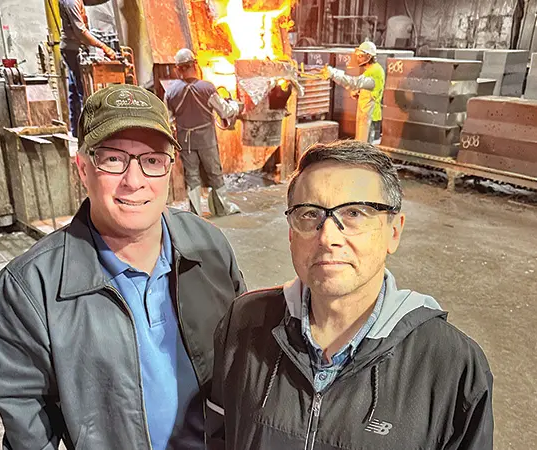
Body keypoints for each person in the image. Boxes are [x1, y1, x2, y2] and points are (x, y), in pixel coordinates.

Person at [0, 84, 246, 450]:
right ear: (82, 168)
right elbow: (27, 424)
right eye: (112, 159)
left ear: (170, 167)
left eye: (152, 160)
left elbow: (245, 362)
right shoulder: (31, 287)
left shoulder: (210, 247)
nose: (134, 181)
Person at [207, 140, 493, 449]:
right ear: (290, 232)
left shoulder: (451, 365)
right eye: (308, 214)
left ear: (393, 231)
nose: (328, 237)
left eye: (354, 213)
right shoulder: (245, 323)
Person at [165, 48, 240, 217]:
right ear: (194, 65)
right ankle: (223, 208)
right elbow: (224, 111)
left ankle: (195, 214)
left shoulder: (171, 91)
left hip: (185, 141)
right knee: (215, 173)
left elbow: (168, 120)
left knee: (192, 177)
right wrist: (234, 105)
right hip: (206, 140)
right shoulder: (206, 88)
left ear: (178, 68)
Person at [59, 0, 116, 137]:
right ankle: (87, 132)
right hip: (72, 49)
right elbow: (80, 31)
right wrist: (103, 47)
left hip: (72, 47)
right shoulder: (71, 2)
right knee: (82, 90)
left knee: (74, 89)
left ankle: (76, 131)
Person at [323, 40, 385, 143]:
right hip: (365, 112)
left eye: (361, 56)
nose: (358, 58)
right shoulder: (371, 69)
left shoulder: (375, 71)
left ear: (369, 56)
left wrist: (334, 74)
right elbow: (369, 88)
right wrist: (359, 92)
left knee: (364, 146)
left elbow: (354, 82)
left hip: (370, 114)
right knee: (361, 143)